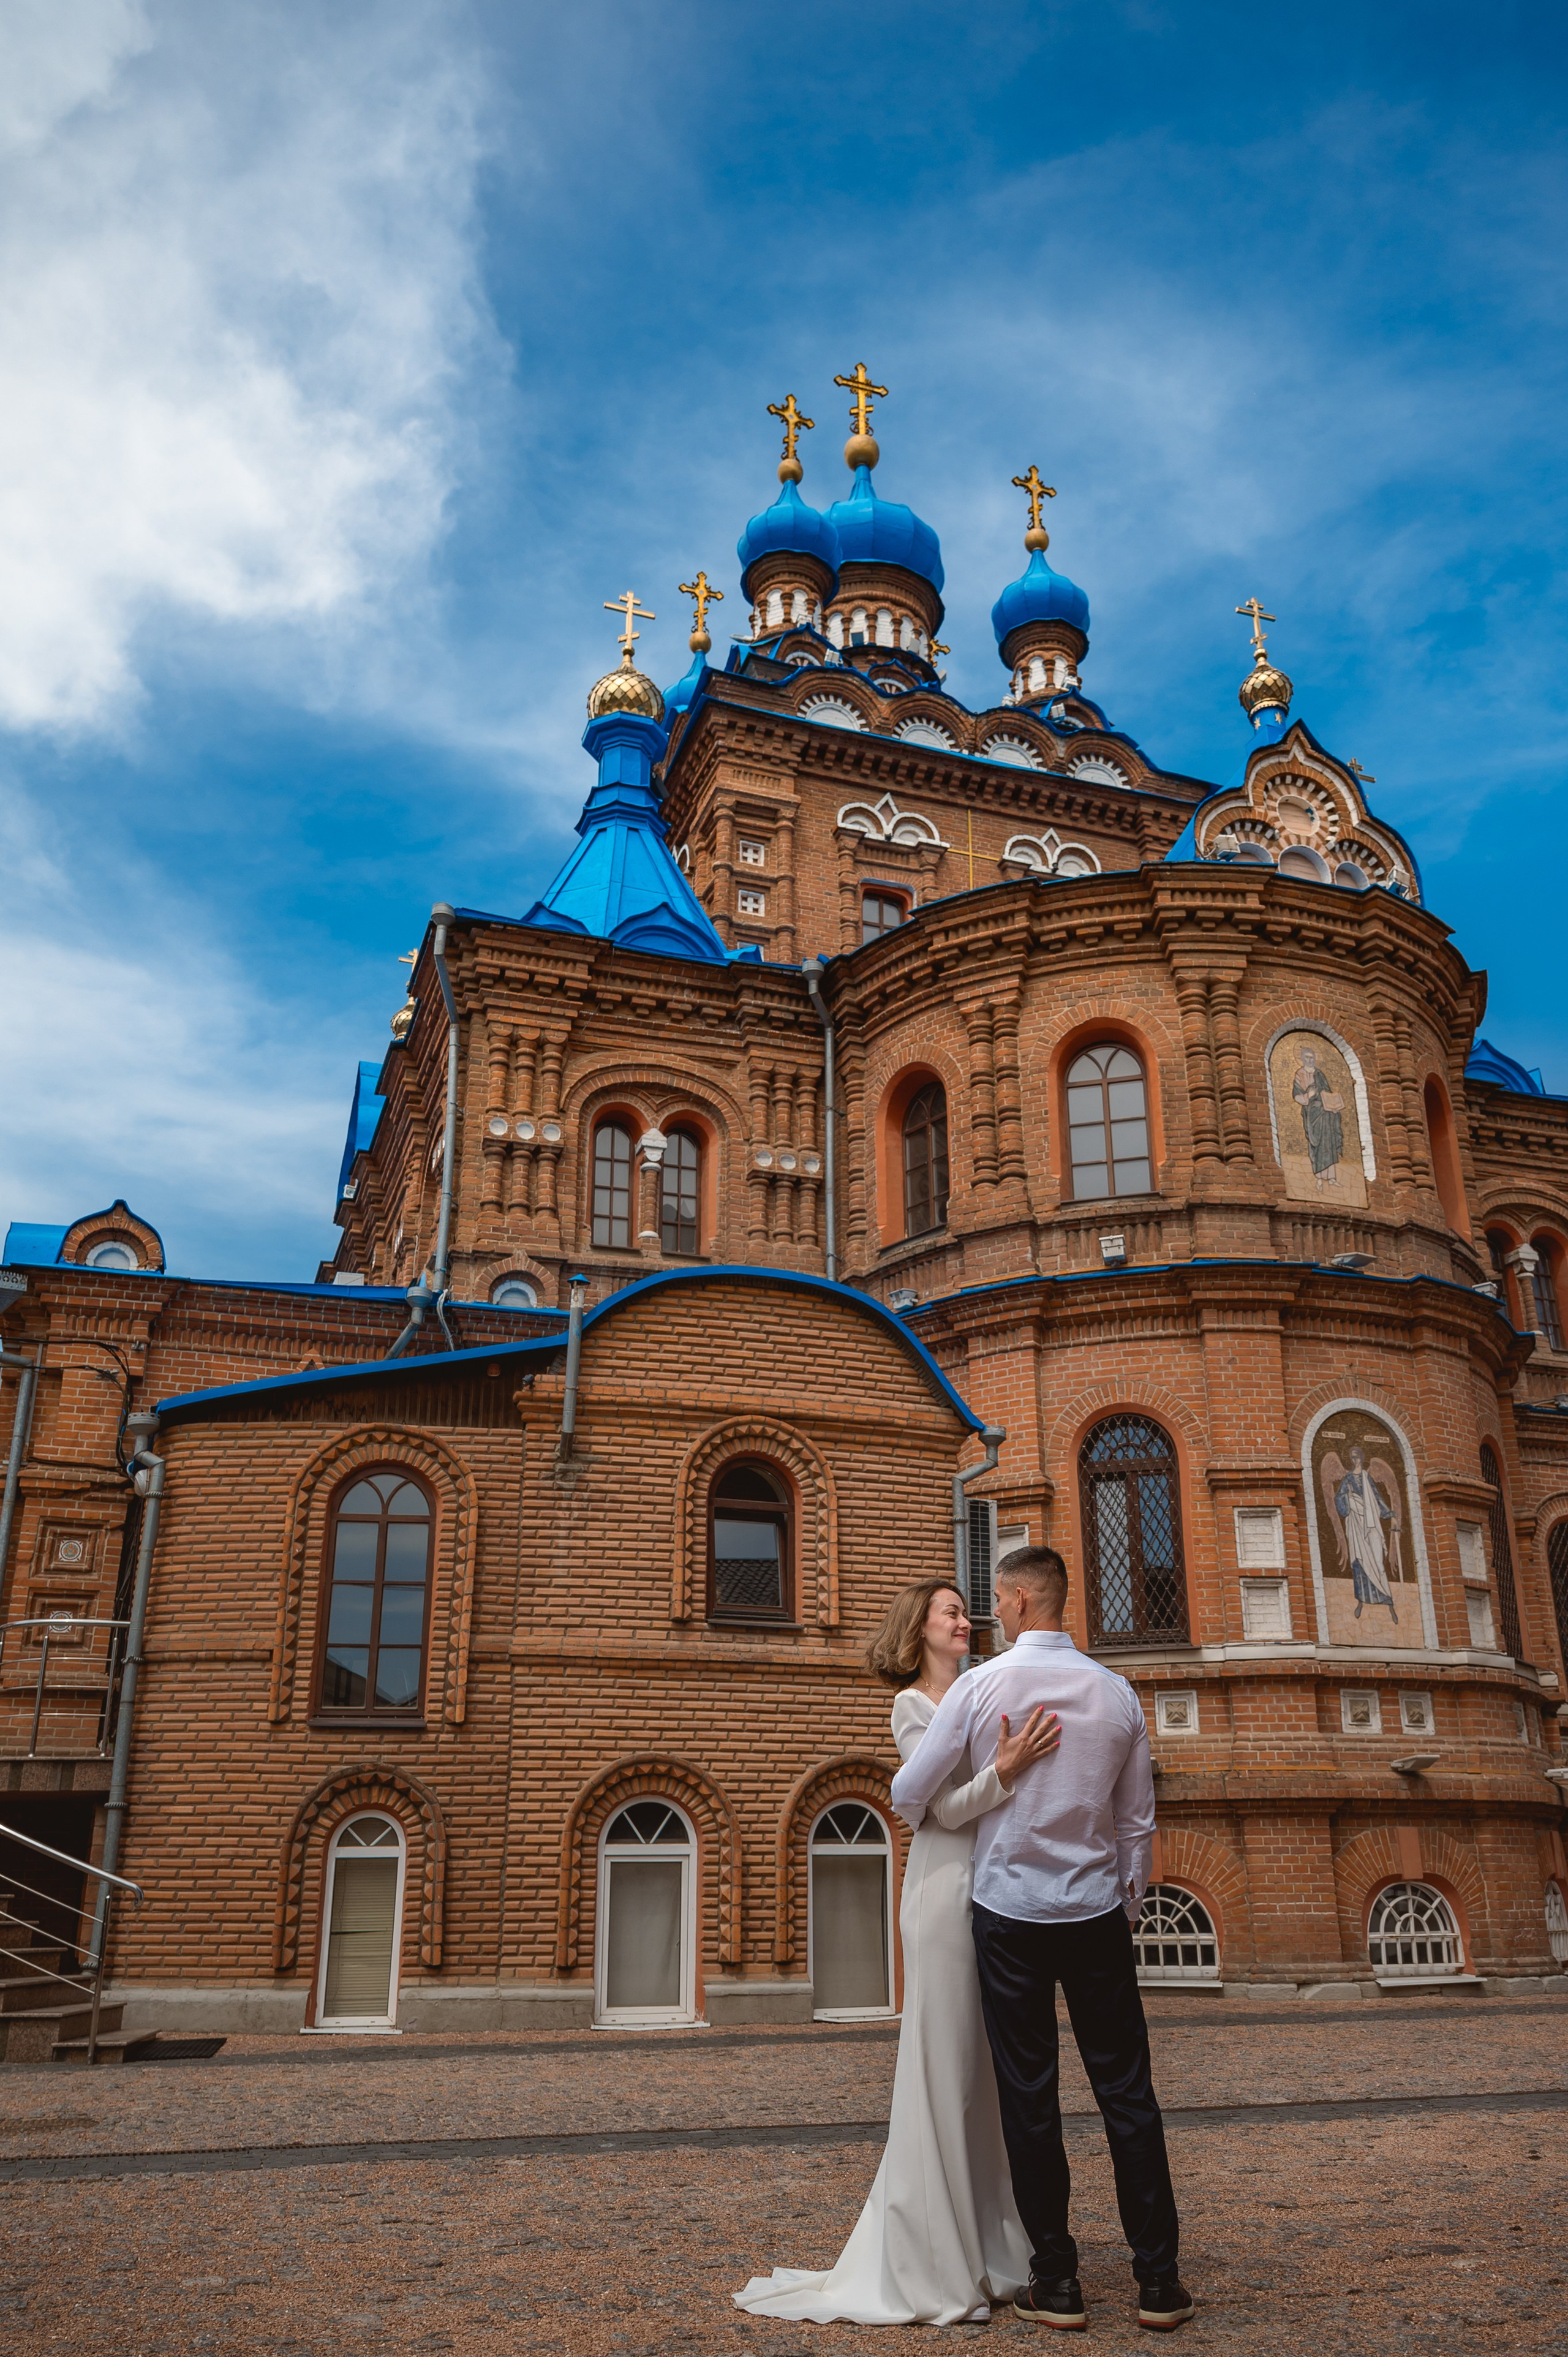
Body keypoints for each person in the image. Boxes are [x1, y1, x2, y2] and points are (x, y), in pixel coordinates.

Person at [734, 1577, 1060, 2325]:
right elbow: (938, 1808)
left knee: (986, 2077)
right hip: (944, 1894)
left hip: (999, 1887)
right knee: (945, 2069)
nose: (965, 1618)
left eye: (965, 1609)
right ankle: (934, 2262)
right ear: (919, 1629)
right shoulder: (912, 1705)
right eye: (951, 1610)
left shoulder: (980, 1692)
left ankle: (992, 2249)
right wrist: (1005, 1770)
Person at [890, 1546, 1191, 2334]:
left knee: (1030, 2098)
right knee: (1127, 2093)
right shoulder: (1117, 1692)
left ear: (1021, 1600)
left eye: (997, 1601)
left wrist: (995, 1773)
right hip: (1094, 1914)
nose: (991, 1613)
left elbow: (907, 1792)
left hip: (1010, 1914)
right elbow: (1135, 1820)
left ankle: (1057, 2282)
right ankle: (1159, 2281)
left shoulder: (985, 1685)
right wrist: (1124, 1909)